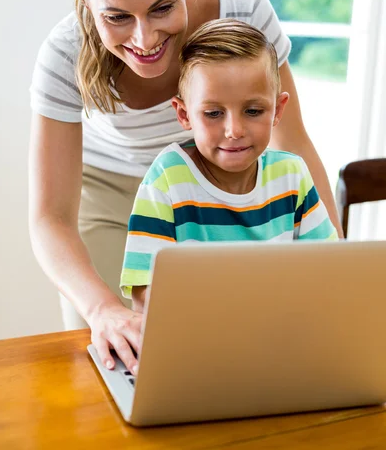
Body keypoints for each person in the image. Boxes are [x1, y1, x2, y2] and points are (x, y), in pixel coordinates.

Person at [28, 0, 342, 376]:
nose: (144, 38)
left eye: (161, 8)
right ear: (87, 5)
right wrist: (102, 309)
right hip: (114, 203)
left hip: (224, 197)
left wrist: (342, 275)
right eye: (117, 16)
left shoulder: (241, 9)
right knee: (117, 369)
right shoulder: (63, 54)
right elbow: (50, 217)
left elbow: (292, 142)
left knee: (239, 362)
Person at [120, 19, 338, 314]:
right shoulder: (167, 179)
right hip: (195, 338)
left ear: (278, 109)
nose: (234, 130)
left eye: (252, 111)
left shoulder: (292, 175)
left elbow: (327, 271)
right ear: (184, 115)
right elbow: (144, 293)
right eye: (213, 113)